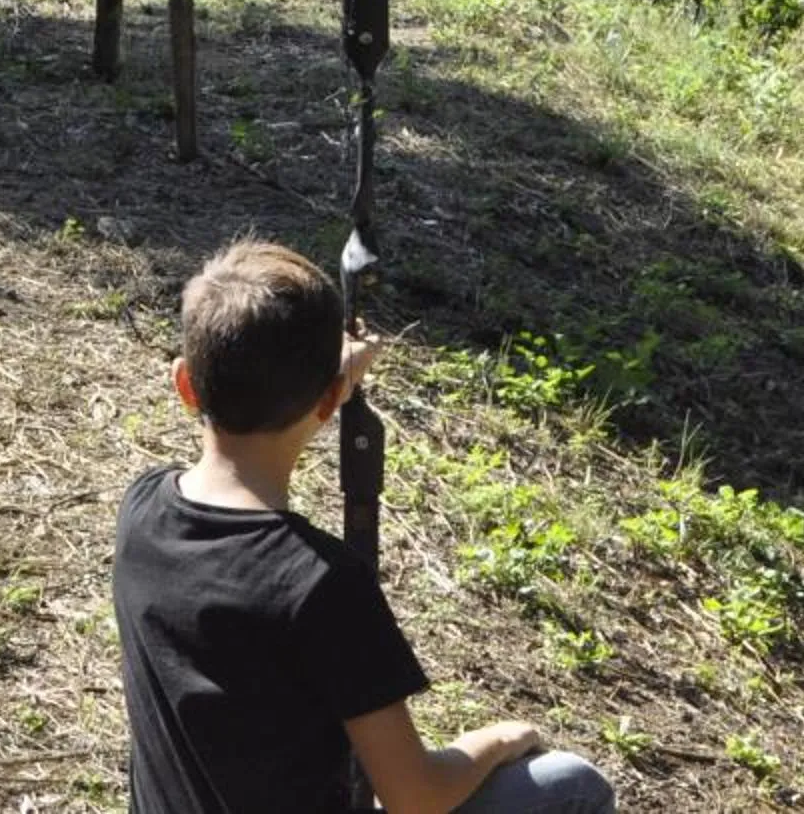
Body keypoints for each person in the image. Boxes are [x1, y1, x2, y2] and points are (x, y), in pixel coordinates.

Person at [114, 237, 615, 813]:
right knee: (573, 784)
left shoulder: (143, 510)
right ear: (330, 402)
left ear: (185, 384)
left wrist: (328, 378)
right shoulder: (319, 584)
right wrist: (495, 740)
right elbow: (415, 798)